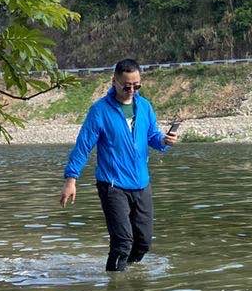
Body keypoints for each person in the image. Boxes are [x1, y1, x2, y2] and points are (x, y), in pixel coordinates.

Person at [59, 58, 179, 272]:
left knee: (143, 243)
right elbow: (83, 146)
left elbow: (152, 136)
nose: (131, 90)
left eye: (136, 85)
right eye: (126, 85)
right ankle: (114, 290)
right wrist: (71, 179)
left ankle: (124, 274)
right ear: (114, 81)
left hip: (141, 183)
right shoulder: (100, 111)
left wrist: (164, 141)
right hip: (112, 185)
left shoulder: (144, 106)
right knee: (123, 241)